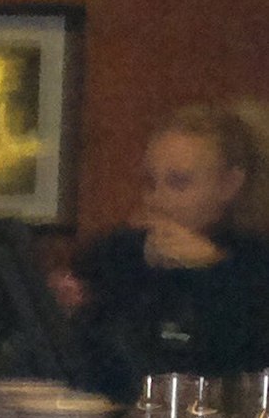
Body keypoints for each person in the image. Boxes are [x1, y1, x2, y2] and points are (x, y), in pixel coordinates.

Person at [52, 104, 269, 399]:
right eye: (151, 183)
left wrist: (212, 270)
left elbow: (245, 365)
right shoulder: (119, 254)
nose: (157, 199)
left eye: (178, 183)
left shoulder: (255, 267)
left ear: (229, 185)